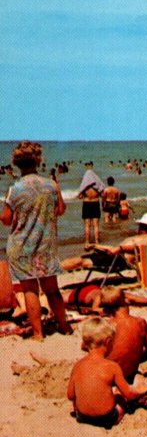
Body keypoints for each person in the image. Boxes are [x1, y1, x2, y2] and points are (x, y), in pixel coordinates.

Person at [1, 141, 73, 339]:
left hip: (21, 245)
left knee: (30, 290)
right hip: (45, 245)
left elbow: (6, 219)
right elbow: (61, 210)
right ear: (38, 160)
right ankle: (65, 327)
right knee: (52, 290)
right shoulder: (51, 185)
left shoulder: (15, 188)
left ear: (17, 163)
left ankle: (38, 334)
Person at [67, 317, 147, 428]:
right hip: (107, 418)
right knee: (121, 397)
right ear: (108, 342)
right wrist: (145, 390)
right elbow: (129, 394)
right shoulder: (112, 367)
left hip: (82, 417)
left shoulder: (78, 365)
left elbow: (70, 395)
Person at [61, 212, 147, 274]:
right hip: (115, 256)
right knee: (80, 258)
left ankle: (50, 273)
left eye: (142, 225)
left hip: (119, 261)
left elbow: (141, 248)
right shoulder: (139, 237)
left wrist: (120, 248)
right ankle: (52, 271)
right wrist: (95, 245)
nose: (140, 227)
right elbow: (114, 248)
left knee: (81, 261)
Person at [103, 289, 147, 384]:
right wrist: (134, 360)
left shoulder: (107, 326)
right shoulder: (141, 322)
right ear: (126, 300)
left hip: (109, 375)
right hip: (130, 374)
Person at [65, 284, 147, 315]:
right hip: (79, 295)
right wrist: (107, 311)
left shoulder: (119, 294)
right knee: (63, 298)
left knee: (131, 298)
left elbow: (138, 299)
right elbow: (95, 309)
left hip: (93, 288)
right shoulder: (99, 298)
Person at [78, 161, 105, 248]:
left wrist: (84, 193)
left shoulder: (84, 185)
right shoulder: (97, 183)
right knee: (96, 224)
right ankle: (97, 241)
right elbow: (103, 194)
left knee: (87, 224)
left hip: (87, 203)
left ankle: (87, 242)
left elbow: (80, 196)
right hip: (95, 202)